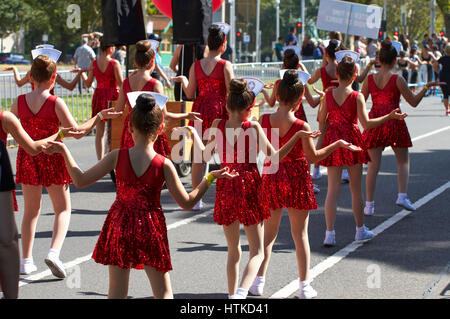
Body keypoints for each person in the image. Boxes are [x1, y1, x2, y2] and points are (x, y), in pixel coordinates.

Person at [42, 93, 239, 299]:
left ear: (130, 127)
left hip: (120, 223)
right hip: (150, 226)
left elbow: (80, 180)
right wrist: (209, 178)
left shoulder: (117, 156)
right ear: (160, 129)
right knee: (163, 293)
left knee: (116, 293)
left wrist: (65, 152)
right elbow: (187, 203)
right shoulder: (164, 164)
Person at [178, 78, 319, 299]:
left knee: (233, 250)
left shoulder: (217, 124)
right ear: (249, 108)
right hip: (249, 185)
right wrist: (297, 137)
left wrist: (194, 133)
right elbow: (274, 157)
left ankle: (233, 293)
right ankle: (240, 293)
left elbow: (204, 155)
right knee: (257, 251)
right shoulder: (251, 126)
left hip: (225, 184)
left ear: (226, 106)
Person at [249, 70, 361, 299]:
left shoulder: (264, 120)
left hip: (272, 175)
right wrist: (336, 144)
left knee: (268, 235)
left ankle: (258, 282)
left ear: (278, 95)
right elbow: (314, 158)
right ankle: (303, 286)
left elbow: (264, 151)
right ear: (300, 99)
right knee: (300, 235)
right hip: (296, 178)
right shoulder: (302, 125)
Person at [11, 54, 122, 278]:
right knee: (62, 208)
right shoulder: (55, 103)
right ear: (53, 79)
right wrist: (99, 116)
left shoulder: (19, 102)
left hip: (27, 156)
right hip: (53, 156)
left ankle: (25, 260)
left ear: (31, 76)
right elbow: (78, 133)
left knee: (30, 212)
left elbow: (12, 130)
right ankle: (54, 252)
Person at [318, 54, 408, 247]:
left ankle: (329, 234)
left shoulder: (327, 95)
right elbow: (366, 124)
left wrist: (319, 145)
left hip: (333, 139)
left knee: (332, 189)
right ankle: (359, 230)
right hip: (352, 140)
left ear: (338, 74)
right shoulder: (356, 96)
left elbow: (322, 121)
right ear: (354, 76)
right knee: (355, 189)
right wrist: (389, 117)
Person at [362, 40, 444, 217]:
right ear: (394, 60)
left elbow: (360, 101)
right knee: (403, 161)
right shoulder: (397, 79)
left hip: (375, 119)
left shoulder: (370, 79)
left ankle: (369, 204)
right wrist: (426, 88)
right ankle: (402, 195)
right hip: (394, 120)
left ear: (379, 60)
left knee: (372, 166)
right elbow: (413, 102)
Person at [173, 24, 234, 211]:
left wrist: (183, 80)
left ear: (208, 44)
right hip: (218, 110)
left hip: (199, 110)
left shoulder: (196, 65)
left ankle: (197, 199)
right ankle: (228, 196)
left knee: (199, 156)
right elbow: (232, 92)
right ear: (223, 45)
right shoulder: (225, 65)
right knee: (226, 153)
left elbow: (190, 93)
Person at [114, 40, 200, 155]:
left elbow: (118, 110)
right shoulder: (155, 84)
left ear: (135, 62)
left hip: (132, 128)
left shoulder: (126, 83)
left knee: (131, 164)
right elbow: (166, 115)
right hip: (150, 129)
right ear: (152, 62)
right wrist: (187, 115)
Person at [82, 37, 123, 161]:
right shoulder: (114, 63)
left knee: (99, 132)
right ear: (110, 48)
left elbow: (88, 84)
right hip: (112, 96)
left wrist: (81, 73)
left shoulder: (94, 63)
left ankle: (100, 161)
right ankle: (110, 159)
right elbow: (121, 84)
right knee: (113, 130)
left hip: (99, 95)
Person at [308, 39, 340, 181]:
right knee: (341, 135)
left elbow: (309, 81)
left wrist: (302, 69)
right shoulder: (341, 68)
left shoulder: (322, 70)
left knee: (321, 137)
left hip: (326, 103)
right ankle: (344, 168)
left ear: (326, 54)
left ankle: (315, 169)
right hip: (340, 102)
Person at [433, 43, 450, 115]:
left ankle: (447, 109)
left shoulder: (442, 58)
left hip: (444, 77)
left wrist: (438, 72)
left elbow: (434, 65)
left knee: (445, 94)